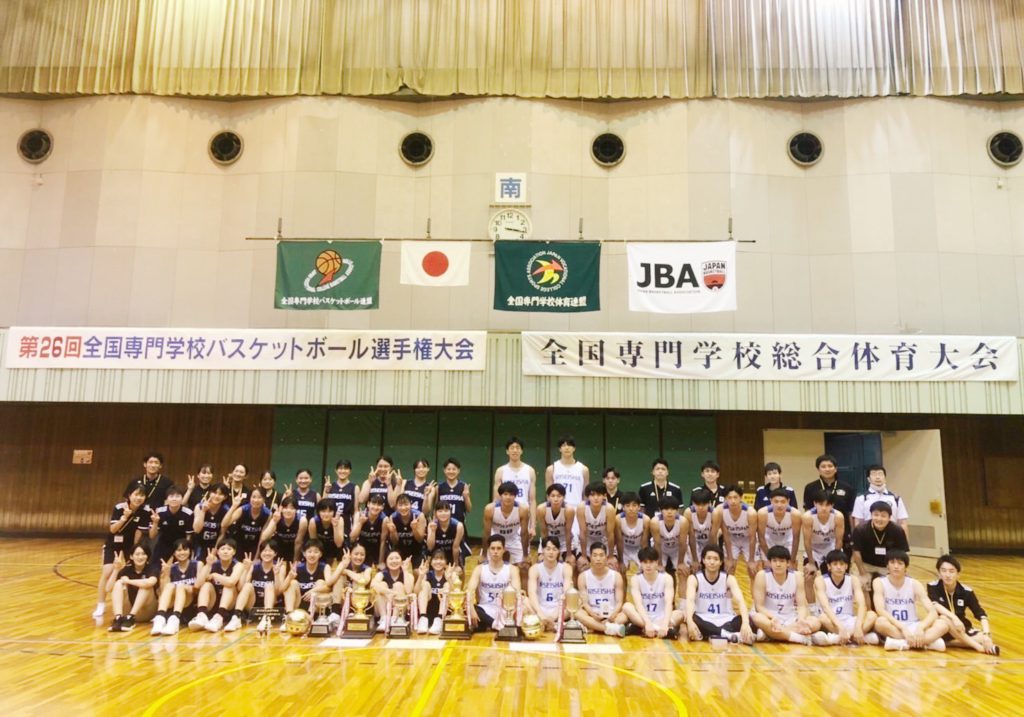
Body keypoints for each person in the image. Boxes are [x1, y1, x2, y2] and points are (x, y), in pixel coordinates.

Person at [872, 550, 948, 651]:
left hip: (913, 625)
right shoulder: (879, 582)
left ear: (905, 567)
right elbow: (880, 610)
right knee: (879, 622)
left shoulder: (914, 584)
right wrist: (903, 628)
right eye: (892, 562)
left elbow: (932, 612)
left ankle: (902, 643)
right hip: (894, 625)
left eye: (900, 563)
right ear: (887, 565)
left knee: (943, 624)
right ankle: (926, 643)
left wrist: (921, 627)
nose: (896, 566)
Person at [94, 486, 150, 620]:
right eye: (136, 494)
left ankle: (131, 604)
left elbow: (139, 532)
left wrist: (135, 550)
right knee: (108, 572)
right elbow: (113, 529)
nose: (138, 498)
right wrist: (124, 517)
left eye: (142, 495)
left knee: (133, 571)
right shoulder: (119, 508)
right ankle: (100, 604)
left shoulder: (145, 511)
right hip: (113, 543)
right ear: (129, 495)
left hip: (129, 545)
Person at [927, 554, 999, 655]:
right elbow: (935, 605)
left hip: (961, 628)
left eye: (951, 571)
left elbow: (980, 614)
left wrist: (987, 635)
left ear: (958, 574)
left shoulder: (966, 591)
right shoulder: (933, 587)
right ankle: (977, 647)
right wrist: (954, 618)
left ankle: (949, 643)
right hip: (941, 627)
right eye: (944, 571)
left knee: (983, 637)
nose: (947, 575)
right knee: (944, 618)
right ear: (939, 573)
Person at [750, 546, 821, 645]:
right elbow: (759, 607)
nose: (778, 564)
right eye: (774, 561)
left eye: (782, 561)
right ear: (770, 563)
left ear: (788, 563)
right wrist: (773, 618)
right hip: (769, 618)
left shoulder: (797, 576)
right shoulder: (762, 576)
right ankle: (798, 638)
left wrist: (801, 620)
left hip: (789, 618)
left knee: (816, 621)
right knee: (757, 618)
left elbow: (801, 606)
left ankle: (771, 634)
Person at [685, 545, 754, 644]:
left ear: (721, 562)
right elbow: (690, 601)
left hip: (726, 619)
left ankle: (715, 634)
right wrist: (690, 622)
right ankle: (729, 635)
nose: (712, 562)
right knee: (689, 617)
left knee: (748, 619)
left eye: (716, 559)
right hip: (703, 618)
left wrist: (745, 623)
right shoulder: (694, 578)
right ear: (703, 560)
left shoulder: (729, 578)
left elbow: (740, 601)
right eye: (709, 558)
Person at [812, 549, 876, 646]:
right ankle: (857, 637)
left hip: (849, 619)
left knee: (872, 615)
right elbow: (825, 607)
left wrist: (858, 627)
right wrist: (840, 628)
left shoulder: (853, 579)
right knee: (822, 617)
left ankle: (838, 638)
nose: (839, 567)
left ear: (846, 566)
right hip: (832, 621)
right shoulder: (820, 580)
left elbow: (862, 605)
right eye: (835, 564)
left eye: (842, 564)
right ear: (829, 566)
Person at [623, 547, 683, 639]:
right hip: (643, 617)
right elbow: (638, 604)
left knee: (680, 614)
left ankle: (643, 629)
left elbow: (668, 603)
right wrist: (648, 623)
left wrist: (664, 624)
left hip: (661, 617)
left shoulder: (666, 578)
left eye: (651, 562)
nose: (648, 565)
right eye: (645, 562)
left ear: (657, 562)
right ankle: (658, 629)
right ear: (640, 563)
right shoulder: (636, 579)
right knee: (626, 606)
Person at [851, 502, 909, 597]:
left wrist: (897, 571)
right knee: (861, 584)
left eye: (883, 516)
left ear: (889, 517)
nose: (879, 518)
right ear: (871, 515)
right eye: (876, 515)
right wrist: (862, 573)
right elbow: (856, 552)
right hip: (866, 564)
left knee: (898, 586)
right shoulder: (860, 529)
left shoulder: (897, 530)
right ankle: (867, 606)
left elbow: (902, 553)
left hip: (887, 566)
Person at [226, 540, 286, 633]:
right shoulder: (253, 566)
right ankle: (236, 617)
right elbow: (240, 588)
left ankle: (267, 618)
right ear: (260, 553)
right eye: (264, 551)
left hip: (272, 606)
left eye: (270, 551)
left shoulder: (280, 567)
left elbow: (278, 592)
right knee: (248, 585)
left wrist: (276, 574)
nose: (267, 553)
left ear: (275, 553)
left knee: (269, 585)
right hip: (253, 605)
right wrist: (246, 569)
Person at [189, 537, 245, 632]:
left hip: (230, 603)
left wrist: (215, 575)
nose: (225, 552)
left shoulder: (238, 565)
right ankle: (202, 615)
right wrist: (208, 565)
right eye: (222, 549)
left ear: (234, 552)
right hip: (214, 601)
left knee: (228, 586)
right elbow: (197, 585)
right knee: (206, 585)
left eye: (229, 549)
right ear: (218, 552)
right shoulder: (213, 564)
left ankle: (219, 617)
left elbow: (231, 582)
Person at [467, 535, 521, 633]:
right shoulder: (479, 569)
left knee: (523, 604)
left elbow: (517, 594)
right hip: (485, 609)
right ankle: (497, 626)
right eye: (492, 548)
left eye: (499, 548)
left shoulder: (512, 569)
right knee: (469, 609)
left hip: (505, 610)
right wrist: (471, 610)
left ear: (504, 550)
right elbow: (469, 592)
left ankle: (493, 625)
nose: (495, 551)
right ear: (488, 550)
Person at [801, 454, 855, 550]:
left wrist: (853, 533)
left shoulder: (847, 488)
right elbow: (807, 512)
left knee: (841, 559)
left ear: (836, 469)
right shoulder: (810, 488)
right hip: (818, 535)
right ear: (818, 469)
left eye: (830, 466)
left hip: (842, 534)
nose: (827, 469)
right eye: (823, 466)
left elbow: (850, 513)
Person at [482, 481, 531, 584]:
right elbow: (486, 533)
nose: (508, 497)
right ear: (500, 495)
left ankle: (524, 593)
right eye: (505, 494)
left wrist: (525, 555)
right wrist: (484, 554)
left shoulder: (523, 509)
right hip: (495, 539)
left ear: (515, 496)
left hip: (514, 539)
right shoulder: (490, 509)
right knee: (483, 567)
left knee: (525, 567)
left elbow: (524, 533)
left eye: (511, 494)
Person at [150, 538, 201, 636]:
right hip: (174, 605)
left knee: (180, 586)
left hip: (192, 602)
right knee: (169, 585)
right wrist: (165, 575)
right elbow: (163, 592)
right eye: (178, 550)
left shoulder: (197, 564)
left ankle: (175, 619)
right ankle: (160, 617)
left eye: (185, 549)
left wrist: (186, 587)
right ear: (174, 553)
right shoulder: (172, 568)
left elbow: (198, 587)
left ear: (190, 551)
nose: (182, 553)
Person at [802, 490, 844, 606]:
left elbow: (839, 540)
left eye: (827, 505)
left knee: (834, 576)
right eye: (821, 504)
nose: (824, 508)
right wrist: (811, 562)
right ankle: (812, 608)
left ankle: (832, 605)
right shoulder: (808, 517)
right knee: (809, 576)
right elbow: (807, 541)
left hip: (831, 548)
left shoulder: (838, 516)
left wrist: (835, 560)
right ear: (815, 504)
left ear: (832, 505)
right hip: (814, 549)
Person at [575, 542, 627, 637]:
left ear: (606, 557)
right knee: (577, 613)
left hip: (612, 614)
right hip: (592, 614)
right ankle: (609, 628)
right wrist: (593, 614)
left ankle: (595, 627)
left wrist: (613, 615)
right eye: (595, 555)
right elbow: (584, 602)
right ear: (590, 557)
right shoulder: (583, 576)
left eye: (601, 555)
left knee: (625, 614)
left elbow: (619, 602)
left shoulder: (616, 576)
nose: (598, 559)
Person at [106, 544, 159, 632]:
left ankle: (131, 617)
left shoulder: (152, 569)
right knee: (118, 583)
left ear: (147, 556)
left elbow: (150, 582)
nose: (140, 557)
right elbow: (108, 589)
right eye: (137, 554)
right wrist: (116, 570)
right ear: (131, 556)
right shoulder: (127, 570)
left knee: (145, 586)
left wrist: (128, 581)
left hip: (147, 611)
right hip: (128, 609)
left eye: (143, 554)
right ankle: (118, 618)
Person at [494, 437, 537, 541]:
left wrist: (533, 525)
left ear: (521, 451)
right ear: (507, 451)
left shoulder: (530, 471)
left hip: (524, 513)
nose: (515, 450)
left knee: (523, 548)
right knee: (501, 546)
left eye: (517, 447)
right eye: (512, 448)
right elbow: (496, 499)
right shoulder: (500, 471)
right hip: (505, 514)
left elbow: (532, 500)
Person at [527, 536, 573, 632]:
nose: (551, 552)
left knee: (575, 601)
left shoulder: (566, 568)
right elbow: (532, 593)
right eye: (548, 549)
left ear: (558, 551)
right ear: (543, 551)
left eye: (554, 549)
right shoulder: (535, 569)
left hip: (560, 609)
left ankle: (551, 623)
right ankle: (548, 623)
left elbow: (566, 594)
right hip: (539, 608)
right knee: (524, 600)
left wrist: (553, 617)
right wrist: (541, 614)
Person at [282, 539, 332, 622]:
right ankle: (289, 616)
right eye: (309, 551)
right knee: (292, 583)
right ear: (304, 553)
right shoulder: (298, 567)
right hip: (299, 603)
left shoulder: (325, 567)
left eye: (316, 552)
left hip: (316, 606)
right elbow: (283, 589)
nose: (312, 555)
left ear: (320, 554)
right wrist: (289, 577)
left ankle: (311, 617)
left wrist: (314, 590)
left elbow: (329, 587)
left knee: (321, 582)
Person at [716, 485, 757, 583]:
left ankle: (755, 594)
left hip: (748, 540)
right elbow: (726, 535)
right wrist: (730, 558)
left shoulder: (750, 513)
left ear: (741, 498)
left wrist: (751, 560)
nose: (733, 501)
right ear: (725, 499)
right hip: (732, 540)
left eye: (735, 497)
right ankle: (728, 593)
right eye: (729, 498)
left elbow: (752, 538)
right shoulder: (720, 510)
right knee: (729, 569)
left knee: (753, 572)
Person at [851, 465, 909, 530]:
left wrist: (905, 537)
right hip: (868, 534)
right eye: (874, 474)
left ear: (885, 478)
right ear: (868, 479)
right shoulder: (861, 499)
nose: (877, 477)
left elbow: (902, 523)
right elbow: (858, 523)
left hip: (892, 534)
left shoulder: (896, 499)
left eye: (880, 474)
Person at [758, 488, 801, 571]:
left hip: (788, 541)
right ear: (771, 501)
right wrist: (769, 558)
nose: (779, 505)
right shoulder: (763, 513)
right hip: (769, 541)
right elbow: (761, 537)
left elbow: (796, 538)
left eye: (783, 502)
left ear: (788, 501)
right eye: (776, 501)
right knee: (768, 567)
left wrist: (792, 560)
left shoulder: (795, 514)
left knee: (791, 568)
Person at [223, 486, 272, 559]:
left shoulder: (268, 514)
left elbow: (262, 539)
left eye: (259, 497)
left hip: (254, 545)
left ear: (264, 499)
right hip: (238, 543)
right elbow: (224, 524)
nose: (256, 500)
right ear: (250, 498)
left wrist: (256, 557)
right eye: (253, 497)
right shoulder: (242, 509)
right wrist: (233, 506)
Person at [148, 485, 194, 564]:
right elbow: (152, 536)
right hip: (163, 545)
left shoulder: (188, 513)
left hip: (181, 546)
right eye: (171, 496)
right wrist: (155, 522)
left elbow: (188, 536)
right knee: (156, 568)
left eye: (177, 496)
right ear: (166, 499)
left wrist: (186, 551)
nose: (174, 499)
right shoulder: (159, 512)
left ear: (182, 498)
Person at [577, 482, 617, 571]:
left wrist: (610, 556)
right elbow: (582, 532)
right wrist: (583, 556)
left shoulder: (609, 509)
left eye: (599, 495)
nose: (595, 498)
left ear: (604, 496)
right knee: (581, 567)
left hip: (604, 541)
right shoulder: (581, 508)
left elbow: (610, 534)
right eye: (592, 495)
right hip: (587, 541)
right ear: (587, 496)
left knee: (613, 567)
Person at [372, 551, 415, 631]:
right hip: (384, 606)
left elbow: (409, 590)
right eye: (391, 559)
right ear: (386, 562)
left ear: (401, 560)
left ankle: (396, 618)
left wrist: (405, 570)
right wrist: (391, 592)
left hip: (402, 608)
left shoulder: (407, 574)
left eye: (397, 558)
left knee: (398, 585)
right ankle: (384, 619)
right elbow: (373, 585)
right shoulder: (382, 573)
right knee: (382, 585)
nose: (394, 561)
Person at [545, 436, 589, 511]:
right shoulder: (551, 469)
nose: (567, 448)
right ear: (560, 449)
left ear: (574, 448)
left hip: (577, 509)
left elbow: (585, 494)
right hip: (558, 509)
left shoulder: (583, 469)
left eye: (569, 445)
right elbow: (549, 494)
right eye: (564, 445)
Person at [651, 496, 689, 583]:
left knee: (683, 572)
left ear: (677, 510)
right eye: (666, 509)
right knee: (658, 573)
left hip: (677, 549)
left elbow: (682, 543)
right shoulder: (655, 522)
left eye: (672, 509)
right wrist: (659, 564)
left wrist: (680, 563)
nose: (669, 512)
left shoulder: (683, 521)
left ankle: (683, 593)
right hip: (661, 549)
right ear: (660, 510)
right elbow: (657, 544)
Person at [259, 496, 306, 565]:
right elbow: (263, 538)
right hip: (279, 548)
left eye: (292, 508)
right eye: (285, 508)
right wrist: (274, 521)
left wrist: (295, 561)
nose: (288, 511)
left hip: (294, 549)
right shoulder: (277, 518)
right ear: (282, 509)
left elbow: (298, 542)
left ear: (296, 510)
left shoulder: (302, 520)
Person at [538, 483, 574, 567]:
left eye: (559, 496)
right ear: (548, 497)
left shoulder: (569, 510)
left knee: (571, 564)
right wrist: (544, 551)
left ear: (564, 497)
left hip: (564, 540)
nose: (556, 499)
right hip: (548, 539)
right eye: (553, 496)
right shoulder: (541, 509)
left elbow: (568, 532)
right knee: (541, 562)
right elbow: (544, 532)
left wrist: (569, 554)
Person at [415, 549, 451, 635]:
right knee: (425, 584)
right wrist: (420, 576)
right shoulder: (427, 575)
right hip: (428, 610)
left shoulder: (449, 574)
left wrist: (449, 579)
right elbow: (416, 592)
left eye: (441, 559)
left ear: (446, 562)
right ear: (431, 562)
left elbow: (456, 594)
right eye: (435, 559)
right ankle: (423, 618)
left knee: (447, 585)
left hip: (444, 612)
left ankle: (439, 619)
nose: (438, 561)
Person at [435, 458, 473, 539]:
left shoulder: (464, 486)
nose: (451, 471)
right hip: (442, 525)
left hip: (459, 525)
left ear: (458, 470)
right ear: (444, 470)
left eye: (454, 469)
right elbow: (436, 508)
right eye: (448, 469)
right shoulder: (439, 487)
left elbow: (469, 509)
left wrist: (466, 497)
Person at [386, 493, 426, 569]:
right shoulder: (393, 517)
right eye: (400, 505)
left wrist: (414, 529)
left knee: (418, 572)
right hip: (399, 551)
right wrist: (393, 531)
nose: (403, 508)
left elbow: (420, 539)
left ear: (411, 505)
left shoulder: (419, 516)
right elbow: (394, 542)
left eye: (406, 504)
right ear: (396, 506)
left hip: (416, 550)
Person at [192, 484, 230, 560]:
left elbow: (222, 534)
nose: (217, 496)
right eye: (214, 493)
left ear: (225, 497)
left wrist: (215, 550)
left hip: (215, 544)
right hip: (199, 543)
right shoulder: (199, 506)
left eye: (220, 494)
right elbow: (196, 530)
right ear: (209, 493)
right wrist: (203, 511)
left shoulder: (226, 510)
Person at [351, 494, 387, 568]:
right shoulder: (359, 515)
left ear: (382, 507)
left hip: (376, 548)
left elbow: (383, 541)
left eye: (379, 505)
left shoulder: (384, 519)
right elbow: (352, 538)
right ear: (368, 504)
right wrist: (360, 523)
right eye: (373, 504)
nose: (375, 507)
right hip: (361, 548)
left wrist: (381, 562)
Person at [617, 492, 649, 575]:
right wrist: (621, 561)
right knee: (620, 570)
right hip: (624, 549)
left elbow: (644, 543)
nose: (631, 508)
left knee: (644, 570)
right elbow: (619, 542)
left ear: (639, 507)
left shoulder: (645, 520)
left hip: (638, 549)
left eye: (634, 505)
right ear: (623, 507)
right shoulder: (618, 519)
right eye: (627, 506)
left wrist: (644, 560)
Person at [426, 501, 464, 571]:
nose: (443, 513)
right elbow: (430, 547)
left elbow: (455, 547)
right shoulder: (432, 525)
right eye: (440, 511)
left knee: (458, 571)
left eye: (446, 511)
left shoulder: (458, 526)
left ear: (450, 512)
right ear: (435, 513)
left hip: (451, 554)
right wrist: (433, 531)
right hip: (436, 556)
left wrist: (455, 565)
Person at [308, 498, 346, 565]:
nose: (326, 514)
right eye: (323, 511)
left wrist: (335, 526)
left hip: (336, 550)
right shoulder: (313, 521)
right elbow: (314, 543)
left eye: (330, 511)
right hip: (321, 550)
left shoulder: (339, 520)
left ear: (334, 512)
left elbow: (339, 544)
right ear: (318, 512)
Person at [685, 488, 715, 569]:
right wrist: (695, 559)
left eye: (704, 504)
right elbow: (691, 537)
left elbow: (713, 536)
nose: (701, 508)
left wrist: (711, 554)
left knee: (710, 563)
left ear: (709, 503)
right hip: (694, 541)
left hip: (709, 541)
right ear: (693, 503)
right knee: (694, 566)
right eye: (698, 504)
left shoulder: (714, 513)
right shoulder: (688, 513)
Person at [322, 460, 358, 526]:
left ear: (350, 471)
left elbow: (356, 510)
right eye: (340, 468)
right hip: (330, 521)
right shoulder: (329, 486)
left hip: (347, 522)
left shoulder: (355, 487)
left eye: (346, 468)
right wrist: (326, 491)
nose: (343, 471)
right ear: (336, 470)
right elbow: (323, 506)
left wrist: (355, 526)